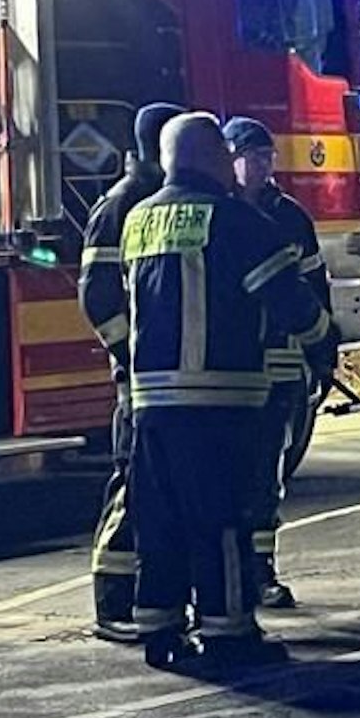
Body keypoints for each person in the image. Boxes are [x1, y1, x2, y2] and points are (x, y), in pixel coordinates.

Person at [122, 113, 331, 670]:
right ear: (214, 157)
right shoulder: (239, 221)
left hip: (152, 402)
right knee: (223, 517)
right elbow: (292, 302)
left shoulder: (138, 220)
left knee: (161, 519)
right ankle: (228, 631)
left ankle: (160, 629)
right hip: (222, 397)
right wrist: (322, 345)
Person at [221, 116, 337, 611]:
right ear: (230, 159)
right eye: (253, 155)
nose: (264, 164)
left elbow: (314, 288)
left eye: (268, 156)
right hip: (227, 370)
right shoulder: (221, 213)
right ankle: (227, 575)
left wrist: (324, 353)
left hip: (281, 368)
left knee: (267, 474)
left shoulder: (291, 217)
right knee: (228, 474)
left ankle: (261, 570)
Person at [79, 102, 184, 644]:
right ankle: (112, 600)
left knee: (155, 483)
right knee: (132, 481)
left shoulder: (153, 199)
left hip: (162, 374)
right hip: (140, 376)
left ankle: (142, 591)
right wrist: (131, 352)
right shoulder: (121, 205)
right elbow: (96, 292)